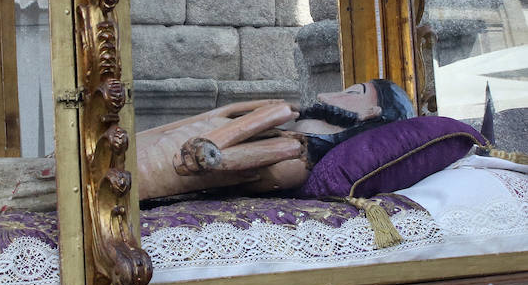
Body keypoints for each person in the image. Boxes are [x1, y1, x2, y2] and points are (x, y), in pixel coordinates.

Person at [136, 79, 416, 199]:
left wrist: (270, 115)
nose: (324, 97)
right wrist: (232, 111)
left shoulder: (296, 155)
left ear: (369, 113)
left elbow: (203, 159)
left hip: (143, 172)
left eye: (352, 93)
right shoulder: (288, 136)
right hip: (139, 149)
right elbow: (200, 131)